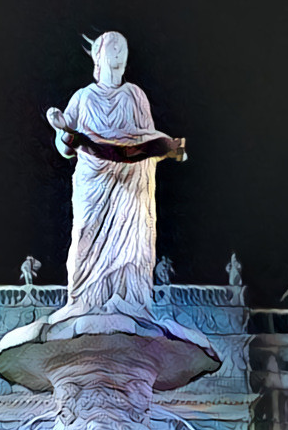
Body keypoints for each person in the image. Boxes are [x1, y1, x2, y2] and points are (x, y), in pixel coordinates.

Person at [45, 31, 185, 318]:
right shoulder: (83, 97)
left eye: (123, 48)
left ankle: (130, 303)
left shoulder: (135, 95)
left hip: (130, 190)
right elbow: (65, 149)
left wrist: (168, 146)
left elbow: (146, 136)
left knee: (131, 251)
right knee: (85, 241)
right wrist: (62, 130)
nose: (119, 54)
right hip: (94, 187)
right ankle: (85, 300)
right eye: (113, 48)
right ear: (99, 56)